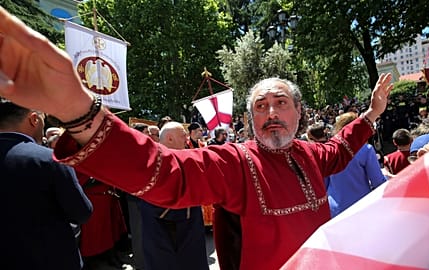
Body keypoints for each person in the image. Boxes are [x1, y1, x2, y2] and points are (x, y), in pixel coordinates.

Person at [0, 8, 393, 269]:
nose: (271, 114)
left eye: (281, 103)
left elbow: (340, 150)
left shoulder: (309, 154)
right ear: (248, 118)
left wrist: (372, 114)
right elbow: (166, 172)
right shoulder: (237, 162)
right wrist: (79, 111)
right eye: (260, 106)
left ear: (300, 112)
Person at [0, 100, 92, 270]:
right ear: (34, 119)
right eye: (43, 117)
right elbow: (81, 212)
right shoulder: (49, 159)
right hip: (50, 259)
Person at [139, 121, 208, 270]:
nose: (187, 140)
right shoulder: (156, 163)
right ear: (169, 138)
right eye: (183, 136)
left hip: (187, 233)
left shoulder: (182, 159)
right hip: (170, 237)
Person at [324, 112, 387, 218]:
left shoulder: (328, 150)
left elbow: (324, 183)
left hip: (335, 209)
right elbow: (378, 182)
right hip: (360, 208)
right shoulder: (366, 150)